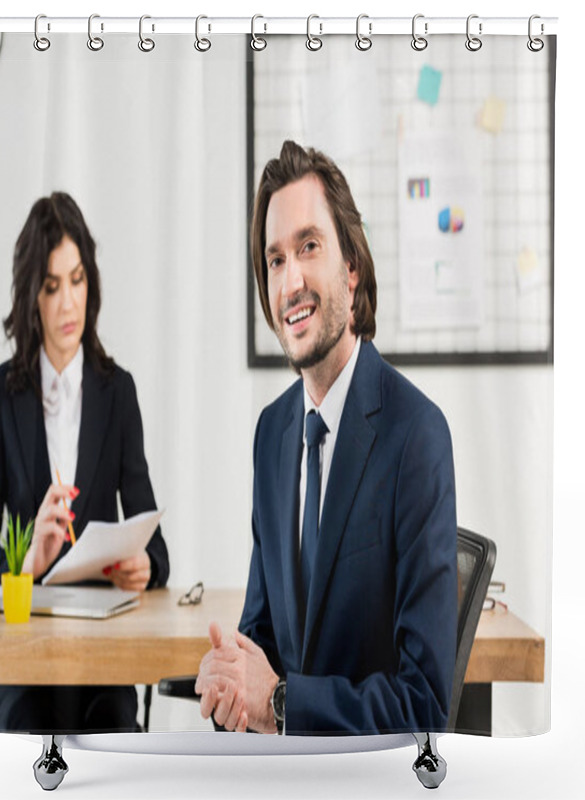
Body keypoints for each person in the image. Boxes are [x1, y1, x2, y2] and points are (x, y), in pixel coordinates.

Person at [195, 141, 457, 735]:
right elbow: (261, 635)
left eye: (308, 247)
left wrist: (282, 703)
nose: (292, 281)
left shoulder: (416, 435)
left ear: (351, 265)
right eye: (276, 260)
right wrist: (233, 680)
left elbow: (424, 706)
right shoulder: (273, 433)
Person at [0, 191, 169, 733]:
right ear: (31, 294)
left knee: (114, 738)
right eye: (52, 286)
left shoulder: (117, 392)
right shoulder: (0, 394)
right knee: (24, 735)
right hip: (20, 661)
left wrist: (145, 565)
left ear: (91, 284)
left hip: (102, 661)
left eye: (77, 281)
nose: (67, 304)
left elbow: (152, 539)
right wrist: (28, 560)